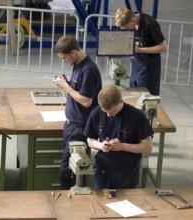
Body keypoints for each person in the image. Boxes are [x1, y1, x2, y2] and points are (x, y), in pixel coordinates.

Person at [52, 36, 102, 189]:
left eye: (64, 57)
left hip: (79, 128)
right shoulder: (78, 64)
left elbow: (86, 101)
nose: (63, 61)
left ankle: (70, 204)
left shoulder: (88, 70)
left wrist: (66, 87)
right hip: (71, 125)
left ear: (74, 52)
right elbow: (78, 91)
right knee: (70, 168)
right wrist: (67, 84)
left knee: (70, 170)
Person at [83, 85, 154, 189]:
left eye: (111, 111)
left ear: (120, 101)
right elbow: (90, 140)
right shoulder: (97, 113)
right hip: (103, 170)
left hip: (127, 172)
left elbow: (147, 147)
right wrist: (101, 145)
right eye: (105, 111)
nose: (107, 115)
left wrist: (122, 146)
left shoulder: (137, 116)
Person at [115, 7, 167, 96]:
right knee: (133, 92)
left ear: (132, 20)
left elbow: (164, 47)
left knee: (145, 94)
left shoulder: (150, 23)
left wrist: (139, 50)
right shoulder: (131, 19)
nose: (128, 30)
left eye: (128, 28)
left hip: (149, 66)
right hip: (137, 63)